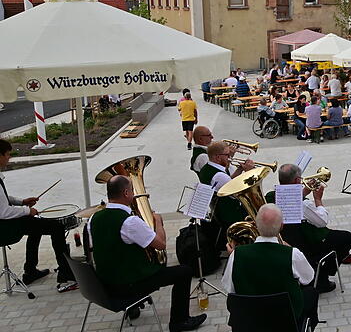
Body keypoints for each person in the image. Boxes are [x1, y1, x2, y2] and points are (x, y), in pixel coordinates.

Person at [89, 175, 206, 331]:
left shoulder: (94, 218)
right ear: (126, 193)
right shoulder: (129, 222)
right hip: (128, 285)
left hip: (105, 285)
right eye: (132, 190)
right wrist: (157, 221)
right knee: (184, 271)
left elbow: (110, 246)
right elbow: (161, 244)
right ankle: (179, 321)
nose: (134, 193)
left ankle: (133, 308)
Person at [221, 204, 318, 328]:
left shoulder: (237, 255)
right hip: (284, 321)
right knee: (311, 292)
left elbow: (230, 289)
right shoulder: (292, 254)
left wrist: (235, 258)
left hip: (249, 321)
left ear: (255, 225)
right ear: (282, 226)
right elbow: (308, 277)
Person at [0, 139, 78, 293]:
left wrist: (22, 201)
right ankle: (65, 274)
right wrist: (27, 211)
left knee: (35, 226)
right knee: (56, 227)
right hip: (4, 228)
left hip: (5, 223)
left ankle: (30, 271)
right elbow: (4, 212)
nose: (9, 158)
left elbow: (3, 199)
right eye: (7, 154)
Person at [265, 165, 351, 294]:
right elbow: (322, 222)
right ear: (296, 181)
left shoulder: (271, 196)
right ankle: (321, 276)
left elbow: (290, 200)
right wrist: (318, 199)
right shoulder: (304, 205)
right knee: (347, 237)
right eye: (299, 180)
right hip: (306, 244)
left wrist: (302, 193)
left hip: (285, 240)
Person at [199, 142, 254, 230]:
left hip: (219, 212)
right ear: (217, 157)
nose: (230, 158)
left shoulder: (207, 168)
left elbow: (228, 183)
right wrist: (249, 173)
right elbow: (239, 193)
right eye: (227, 155)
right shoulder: (219, 176)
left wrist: (239, 170)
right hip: (230, 215)